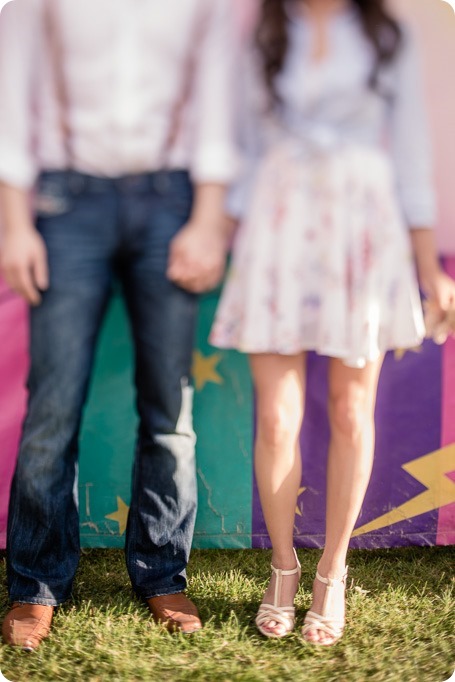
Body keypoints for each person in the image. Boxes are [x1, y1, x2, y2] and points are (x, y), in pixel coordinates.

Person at [210, 0, 455, 645]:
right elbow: (239, 148)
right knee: (276, 417)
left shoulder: (383, 34)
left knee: (351, 410)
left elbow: (411, 156)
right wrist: (215, 235)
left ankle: (333, 571)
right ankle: (283, 567)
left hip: (362, 227)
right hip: (278, 221)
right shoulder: (263, 31)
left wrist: (431, 268)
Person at [0, 0, 237, 650]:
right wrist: (14, 222)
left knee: (169, 403)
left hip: (172, 201)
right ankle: (36, 584)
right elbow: (11, 89)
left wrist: (208, 217)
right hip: (63, 200)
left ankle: (162, 571)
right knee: (52, 404)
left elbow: (217, 100)